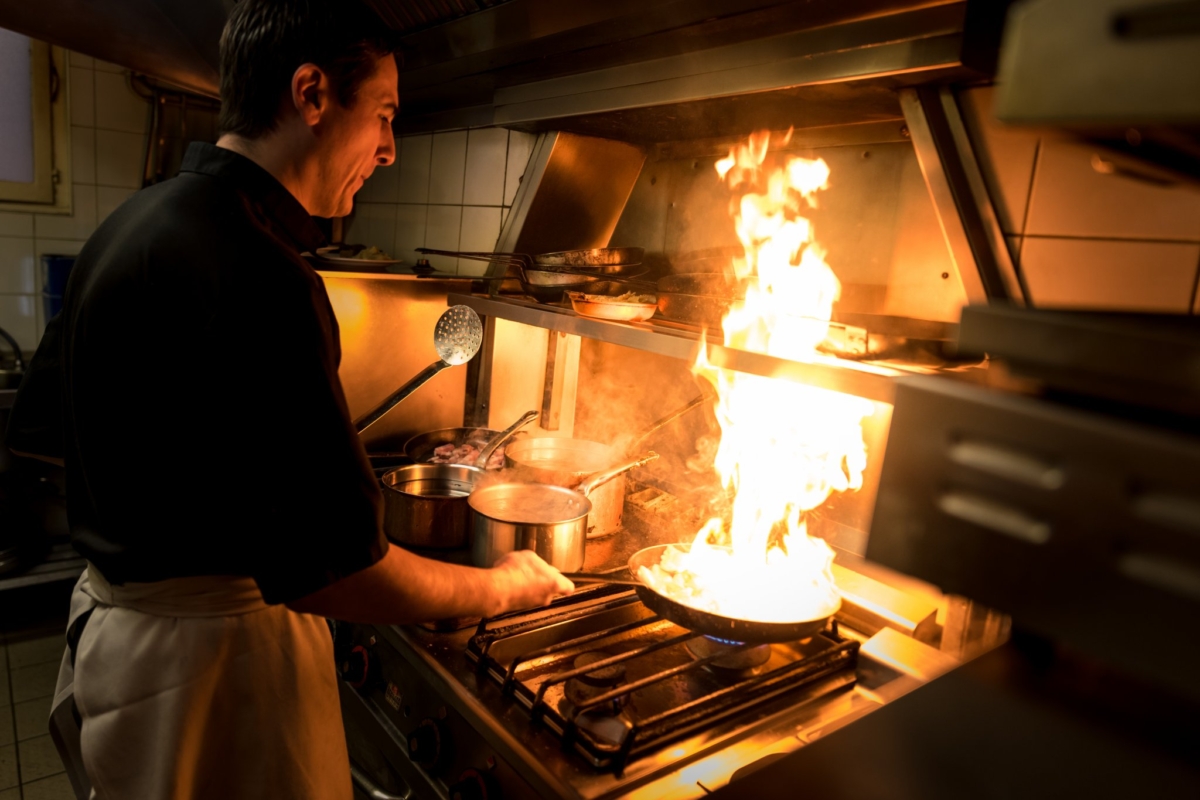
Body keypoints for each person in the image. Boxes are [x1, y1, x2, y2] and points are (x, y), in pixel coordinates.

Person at [4, 1, 573, 797]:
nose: (388, 150)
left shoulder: (133, 222)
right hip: (210, 677)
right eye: (381, 116)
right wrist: (499, 586)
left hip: (121, 645)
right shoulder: (259, 268)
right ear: (311, 95)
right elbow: (339, 574)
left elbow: (41, 434)